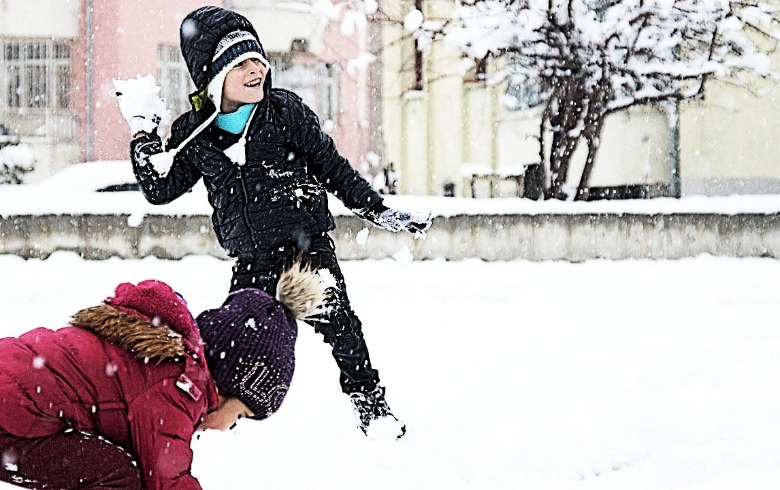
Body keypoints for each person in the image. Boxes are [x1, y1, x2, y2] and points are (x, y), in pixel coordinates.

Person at [122, 6, 432, 439]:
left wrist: (377, 209)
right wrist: (142, 134)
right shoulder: (194, 133)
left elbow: (332, 167)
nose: (256, 70)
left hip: (307, 249)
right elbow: (159, 188)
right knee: (231, 344)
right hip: (251, 258)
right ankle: (208, 409)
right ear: (213, 75)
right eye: (241, 63)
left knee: (342, 329)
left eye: (258, 60)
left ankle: (371, 405)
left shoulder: (284, 111)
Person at [0, 264, 324, 489]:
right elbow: (166, 480)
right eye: (239, 415)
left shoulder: (166, 363)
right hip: (8, 417)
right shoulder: (178, 386)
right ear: (228, 385)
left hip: (11, 395)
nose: (228, 427)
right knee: (117, 478)